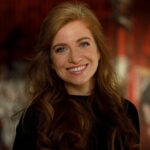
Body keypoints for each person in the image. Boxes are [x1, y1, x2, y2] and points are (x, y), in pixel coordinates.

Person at [12, 1, 140, 150]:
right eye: (61, 49)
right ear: (51, 61)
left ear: (98, 51)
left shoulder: (126, 112)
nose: (75, 58)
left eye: (83, 44)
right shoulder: (35, 118)